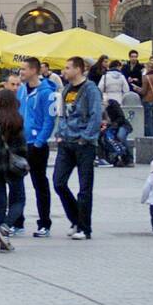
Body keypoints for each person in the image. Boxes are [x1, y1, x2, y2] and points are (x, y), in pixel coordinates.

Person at [52, 56, 103, 240]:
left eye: (67, 68)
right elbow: (63, 114)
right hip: (66, 142)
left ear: (78, 69)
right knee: (58, 182)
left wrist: (86, 137)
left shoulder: (90, 90)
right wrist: (59, 133)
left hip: (84, 144)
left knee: (84, 187)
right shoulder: (66, 89)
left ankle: (84, 228)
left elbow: (95, 115)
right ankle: (75, 218)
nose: (64, 71)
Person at [0, 87, 27, 248]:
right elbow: (22, 146)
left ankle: (3, 236)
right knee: (19, 199)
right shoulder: (17, 119)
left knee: (0, 198)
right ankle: (6, 226)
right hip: (12, 166)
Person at [16, 57, 55, 237]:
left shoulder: (46, 92)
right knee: (16, 183)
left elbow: (49, 120)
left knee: (40, 183)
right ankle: (17, 221)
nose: (21, 72)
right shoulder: (21, 90)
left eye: (23, 69)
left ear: (33, 70)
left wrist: (39, 141)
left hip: (36, 144)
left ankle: (44, 223)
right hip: (21, 143)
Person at [97, 99, 134, 168]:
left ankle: (129, 158)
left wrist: (113, 124)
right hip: (111, 127)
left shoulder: (112, 105)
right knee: (103, 137)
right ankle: (113, 158)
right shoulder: (100, 110)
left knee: (120, 136)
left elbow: (121, 118)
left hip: (122, 125)